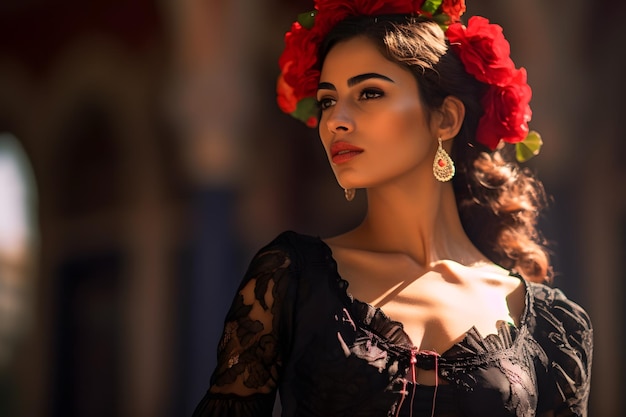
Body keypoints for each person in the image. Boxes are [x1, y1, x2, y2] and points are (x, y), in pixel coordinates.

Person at [192, 0, 592, 416]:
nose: (336, 121)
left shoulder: (553, 324)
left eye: (369, 92)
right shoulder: (289, 278)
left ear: (446, 119)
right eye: (328, 101)